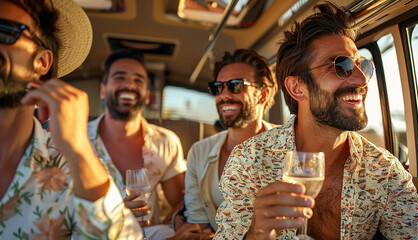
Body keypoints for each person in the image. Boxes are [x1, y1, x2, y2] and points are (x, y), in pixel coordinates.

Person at [214, 2, 418, 239]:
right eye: (341, 66)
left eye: (363, 65)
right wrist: (256, 233)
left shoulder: (384, 171)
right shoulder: (249, 161)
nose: (362, 80)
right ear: (297, 88)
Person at [0, 0, 141, 239]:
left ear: (41, 63)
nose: (128, 85)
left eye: (4, 32)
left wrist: (79, 151)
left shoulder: (78, 172)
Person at [169, 49, 278, 239]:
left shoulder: (288, 147)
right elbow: (198, 226)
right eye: (218, 87)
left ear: (263, 95)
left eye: (236, 86)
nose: (224, 95)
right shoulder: (199, 152)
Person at [88, 48, 186, 239]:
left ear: (147, 95)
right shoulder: (77, 139)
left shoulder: (166, 142)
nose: (129, 85)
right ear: (102, 90)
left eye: (138, 80)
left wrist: (167, 231)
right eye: (119, 77)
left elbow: (181, 202)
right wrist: (116, 216)